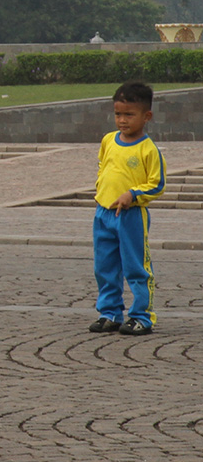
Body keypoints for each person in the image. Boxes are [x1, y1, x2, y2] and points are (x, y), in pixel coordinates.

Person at [89, 81, 165, 336]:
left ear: (147, 116)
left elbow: (156, 185)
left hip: (131, 217)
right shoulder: (108, 140)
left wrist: (133, 195)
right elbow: (104, 167)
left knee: (136, 267)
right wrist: (100, 190)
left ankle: (142, 315)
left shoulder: (148, 149)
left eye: (129, 115)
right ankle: (109, 312)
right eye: (118, 114)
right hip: (103, 214)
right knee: (104, 266)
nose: (122, 120)